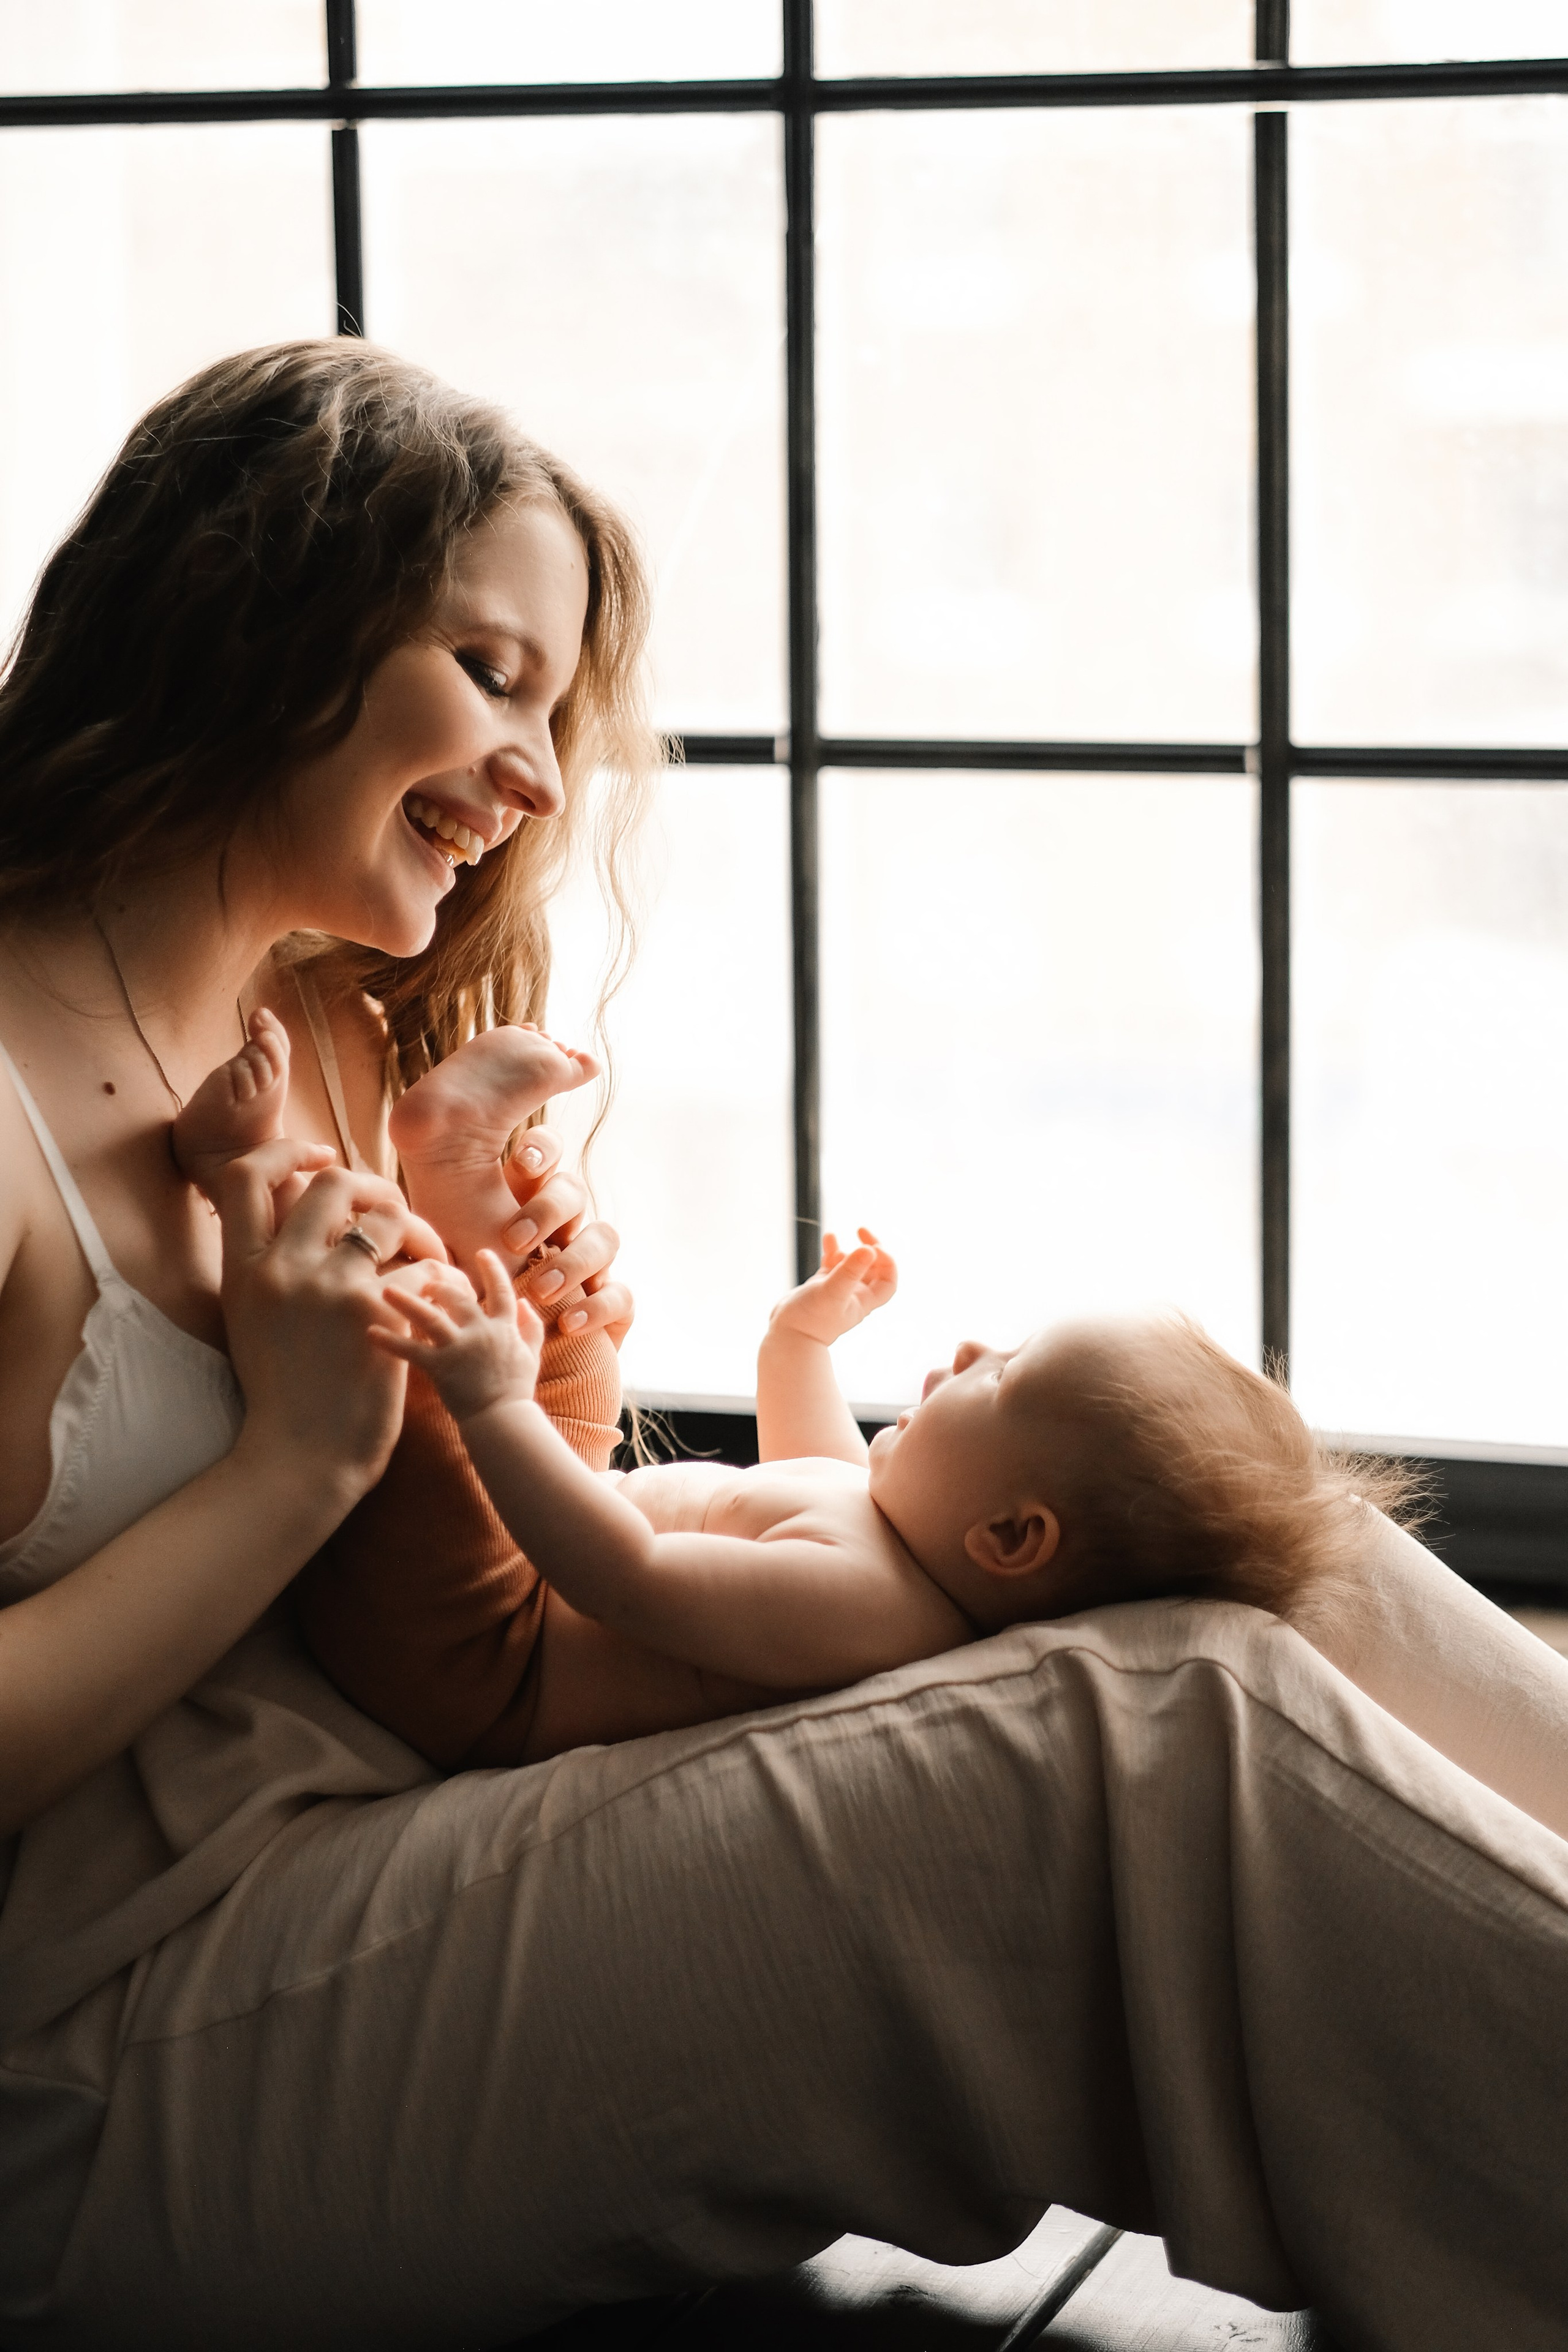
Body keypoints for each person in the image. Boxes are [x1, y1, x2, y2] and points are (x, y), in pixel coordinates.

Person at [1, 341, 1564, 2352]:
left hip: (386, 1820)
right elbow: (313, 1501)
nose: (539, 779)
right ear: (253, 609)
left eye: (553, 714)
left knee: (1267, 1546)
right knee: (1162, 1735)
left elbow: (462, 1597)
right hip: (114, 2036)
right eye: (489, 675)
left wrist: (546, 1354)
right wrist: (291, 1465)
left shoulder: (317, 1030)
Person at [175, 1008, 1401, 1762]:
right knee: (570, 1337)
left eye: (1001, 1379)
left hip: (482, 1661)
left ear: (1011, 1539)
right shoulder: (886, 1525)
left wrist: (495, 1406)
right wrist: (802, 1337)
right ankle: (451, 1160)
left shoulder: (869, 1610)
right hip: (536, 1557)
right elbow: (801, 1437)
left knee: (431, 1391)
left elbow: (624, 1573)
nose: (968, 1352)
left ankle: (243, 1183)